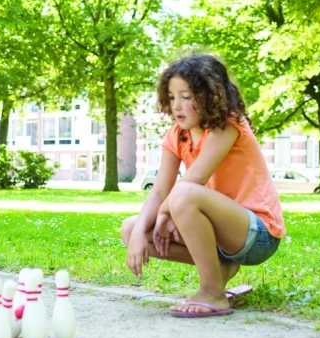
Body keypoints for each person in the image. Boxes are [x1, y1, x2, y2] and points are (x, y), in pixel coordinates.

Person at [120, 54, 286, 318]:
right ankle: (222, 268)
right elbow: (160, 190)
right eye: (172, 97)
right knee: (130, 228)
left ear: (210, 95)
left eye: (186, 96)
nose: (177, 106)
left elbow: (193, 180)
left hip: (257, 233)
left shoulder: (228, 123)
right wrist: (140, 230)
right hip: (221, 237)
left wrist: (166, 213)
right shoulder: (177, 135)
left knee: (184, 193)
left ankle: (213, 293)